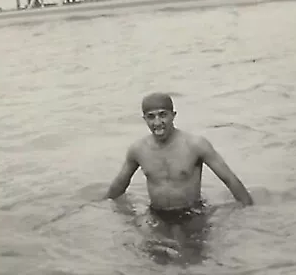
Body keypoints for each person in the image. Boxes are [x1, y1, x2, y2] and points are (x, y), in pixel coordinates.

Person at [105, 93, 253, 217]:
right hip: (157, 214)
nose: (157, 122)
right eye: (151, 117)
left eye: (163, 115)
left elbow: (230, 179)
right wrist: (99, 208)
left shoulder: (195, 145)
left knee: (194, 252)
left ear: (173, 115)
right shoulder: (138, 150)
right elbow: (119, 186)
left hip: (192, 213)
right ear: (144, 119)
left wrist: (249, 210)